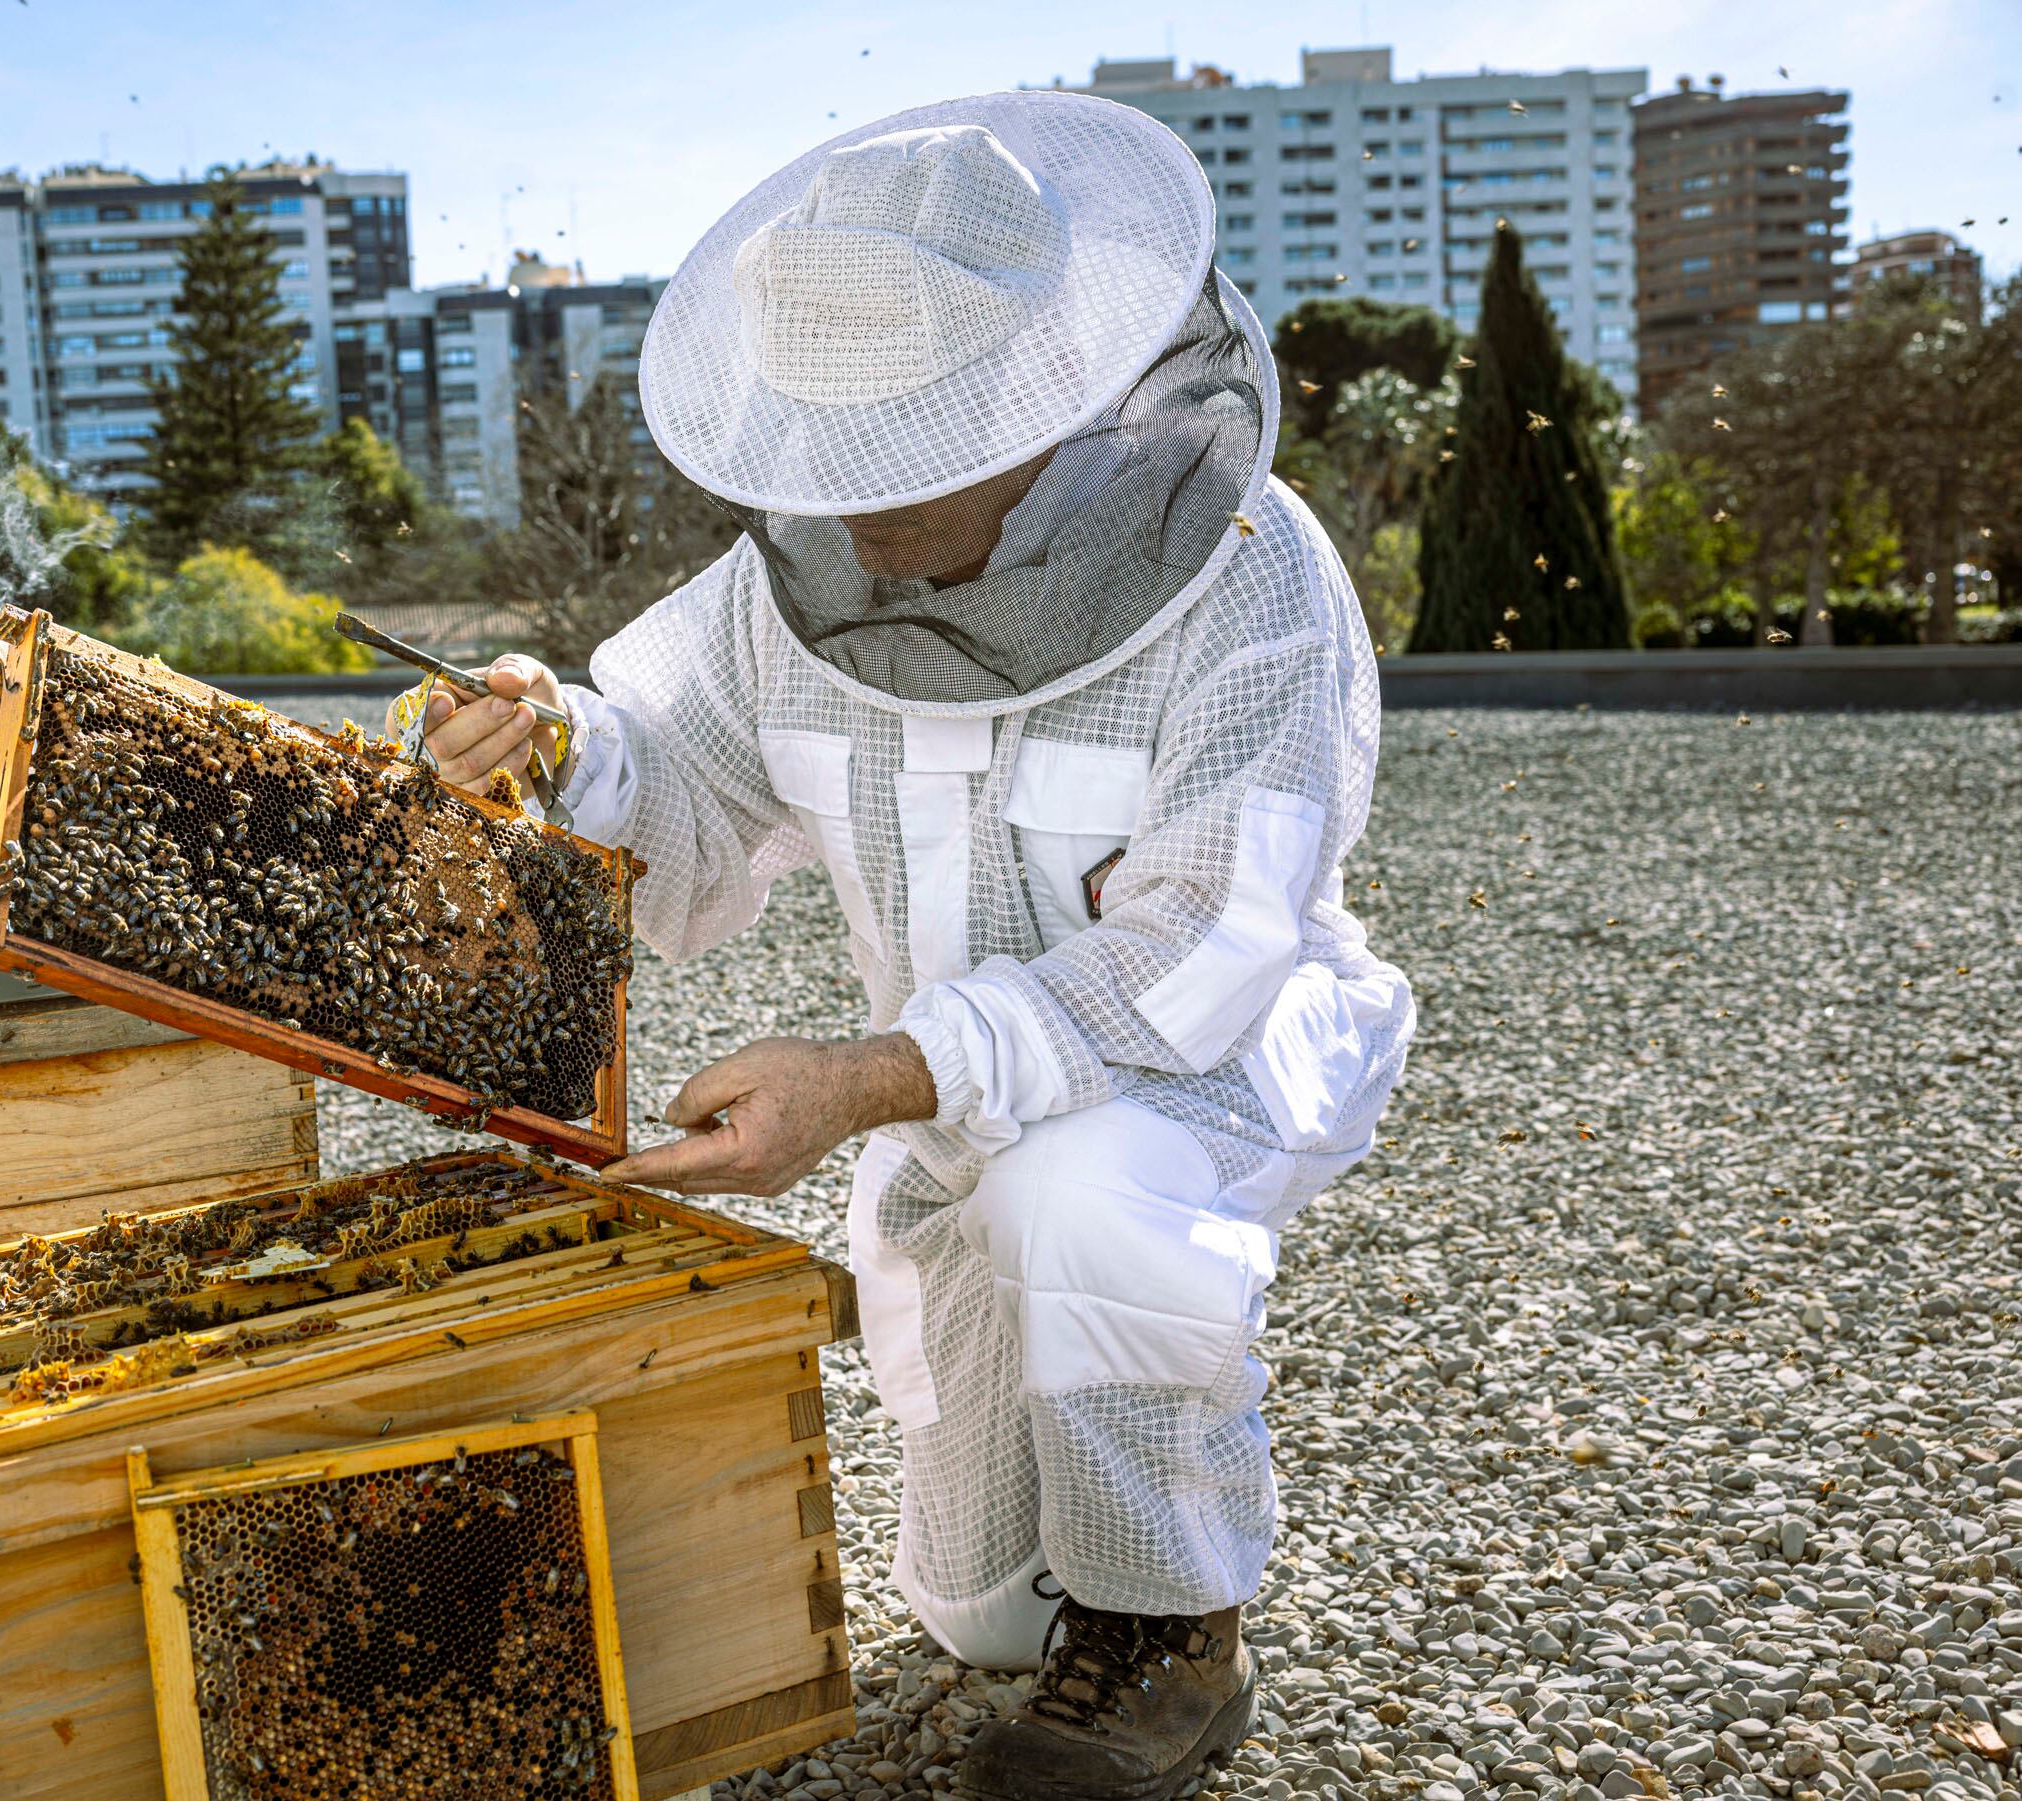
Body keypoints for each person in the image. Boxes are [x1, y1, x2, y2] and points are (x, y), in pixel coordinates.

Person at [420, 94, 1412, 1799]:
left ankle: (1176, 1632)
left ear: (1043, 402)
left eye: (901, 446)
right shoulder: (784, 592)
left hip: (1223, 1059)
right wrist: (557, 744)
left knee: (1085, 1194)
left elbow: (1197, 951)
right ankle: (1067, 1600)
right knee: (980, 1615)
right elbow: (679, 791)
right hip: (941, 1105)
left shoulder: (1251, 576)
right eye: (826, 443)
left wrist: (864, 1076)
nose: (847, 501)